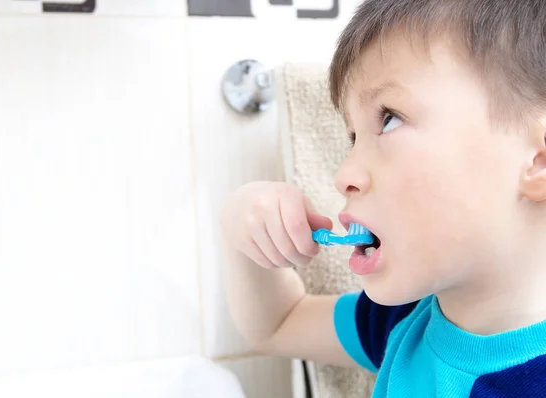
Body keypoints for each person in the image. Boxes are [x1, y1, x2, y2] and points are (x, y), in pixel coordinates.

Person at [220, 0, 546, 396]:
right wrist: (244, 232)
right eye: (353, 138)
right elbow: (278, 324)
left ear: (538, 160)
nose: (343, 176)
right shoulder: (406, 322)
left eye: (389, 118)